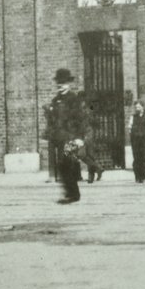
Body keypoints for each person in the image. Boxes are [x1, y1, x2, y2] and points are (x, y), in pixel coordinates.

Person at [45, 67, 90, 203]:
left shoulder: (73, 99)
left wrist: (80, 138)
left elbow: (80, 119)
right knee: (63, 164)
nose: (60, 84)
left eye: (63, 82)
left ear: (68, 84)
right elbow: (53, 121)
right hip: (60, 138)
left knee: (66, 163)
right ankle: (71, 193)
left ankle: (73, 194)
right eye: (59, 82)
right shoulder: (55, 100)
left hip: (71, 137)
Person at [127, 100, 145, 184]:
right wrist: (133, 135)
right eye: (136, 107)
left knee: (143, 158)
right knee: (136, 159)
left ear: (143, 107)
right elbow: (130, 128)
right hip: (135, 140)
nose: (137, 108)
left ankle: (144, 177)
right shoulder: (133, 117)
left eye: (139, 107)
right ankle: (137, 177)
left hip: (143, 140)